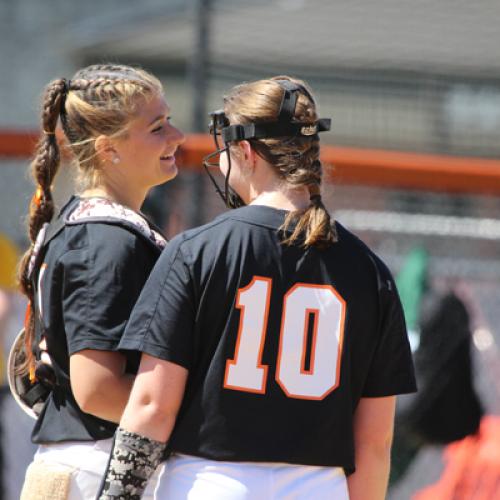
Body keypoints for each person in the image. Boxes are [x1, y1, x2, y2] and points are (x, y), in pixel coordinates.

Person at [97, 76, 417, 500]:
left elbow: (152, 407)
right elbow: (374, 445)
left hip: (210, 483)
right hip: (318, 488)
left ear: (246, 151)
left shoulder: (197, 250)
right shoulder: (369, 270)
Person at [15, 63, 185, 499]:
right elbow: (98, 390)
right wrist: (206, 412)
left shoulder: (95, 226)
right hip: (97, 466)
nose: (176, 136)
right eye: (157, 127)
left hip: (91, 463)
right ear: (109, 149)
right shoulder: (106, 239)